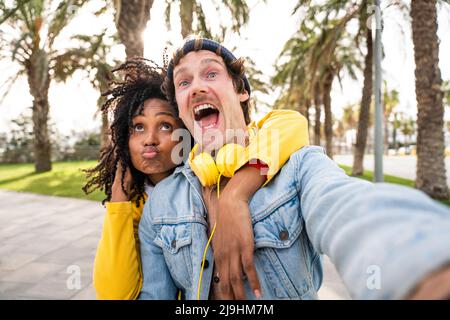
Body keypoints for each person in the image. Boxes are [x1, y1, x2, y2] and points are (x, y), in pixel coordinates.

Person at [137, 37, 450, 300]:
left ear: (241, 91)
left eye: (211, 74)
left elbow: (351, 208)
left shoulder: (299, 166)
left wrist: (424, 270)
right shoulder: (162, 202)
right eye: (184, 82)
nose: (196, 88)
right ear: (179, 105)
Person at [83, 57, 310, 299]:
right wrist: (119, 199)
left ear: (187, 130)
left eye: (165, 126)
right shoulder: (136, 206)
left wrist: (236, 193)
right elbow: (115, 294)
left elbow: (288, 123)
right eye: (138, 127)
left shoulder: (219, 168)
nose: (150, 138)